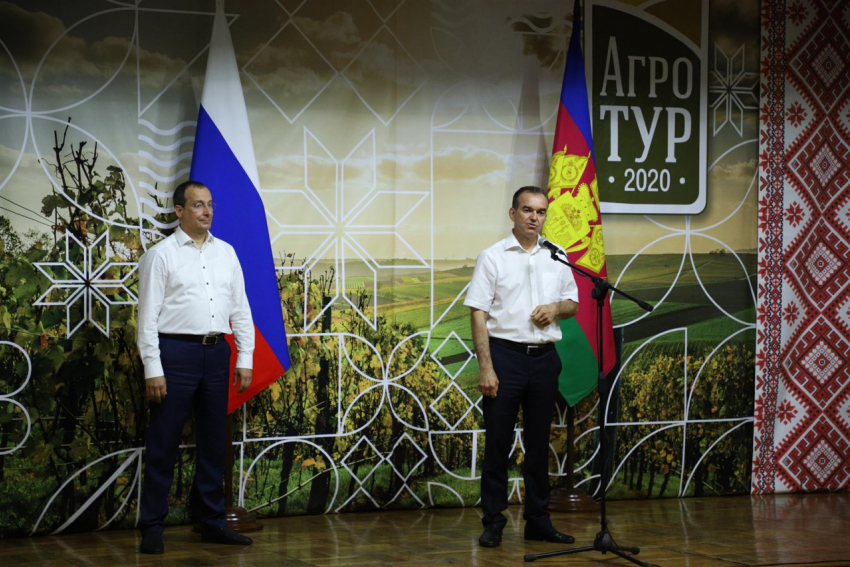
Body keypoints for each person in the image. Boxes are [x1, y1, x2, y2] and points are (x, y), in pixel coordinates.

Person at [136, 180, 254, 554]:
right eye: (198, 205)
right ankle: (152, 525)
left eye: (210, 205)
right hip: (175, 355)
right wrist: (153, 367)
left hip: (217, 354)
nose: (207, 211)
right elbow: (147, 318)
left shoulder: (228, 254)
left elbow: (241, 310)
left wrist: (245, 358)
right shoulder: (161, 255)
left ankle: (212, 521)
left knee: (213, 442)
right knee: (163, 442)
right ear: (179, 211)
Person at [464, 186, 580, 548]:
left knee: (538, 444)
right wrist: (486, 367)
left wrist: (555, 309)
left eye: (541, 212)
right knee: (498, 443)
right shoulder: (493, 257)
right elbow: (478, 312)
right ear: (512, 214)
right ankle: (494, 521)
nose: (534, 217)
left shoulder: (556, 255)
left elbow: (573, 302)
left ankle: (538, 521)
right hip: (505, 358)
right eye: (527, 210)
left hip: (545, 360)